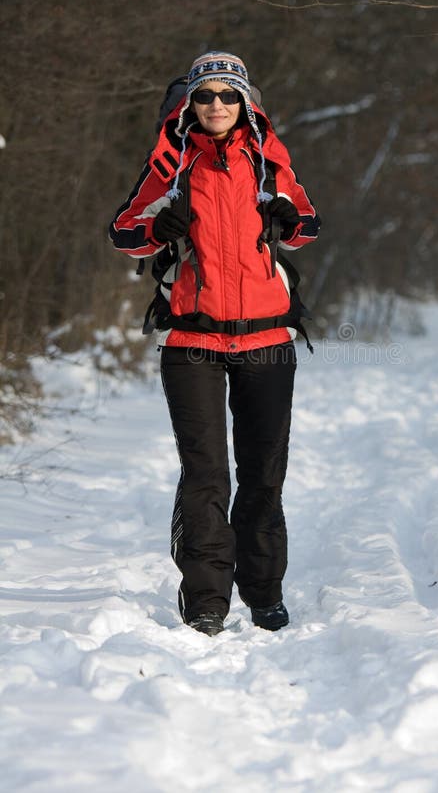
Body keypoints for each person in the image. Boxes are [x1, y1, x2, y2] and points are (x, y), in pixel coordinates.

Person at [109, 51, 320, 636]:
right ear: (191, 104)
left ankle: (264, 591)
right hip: (192, 340)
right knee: (204, 475)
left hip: (267, 338)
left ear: (246, 101)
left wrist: (285, 217)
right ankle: (205, 599)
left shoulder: (268, 162)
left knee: (262, 472)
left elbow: (308, 226)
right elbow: (124, 231)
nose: (218, 106)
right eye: (206, 96)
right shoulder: (171, 163)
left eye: (229, 95)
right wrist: (158, 229)